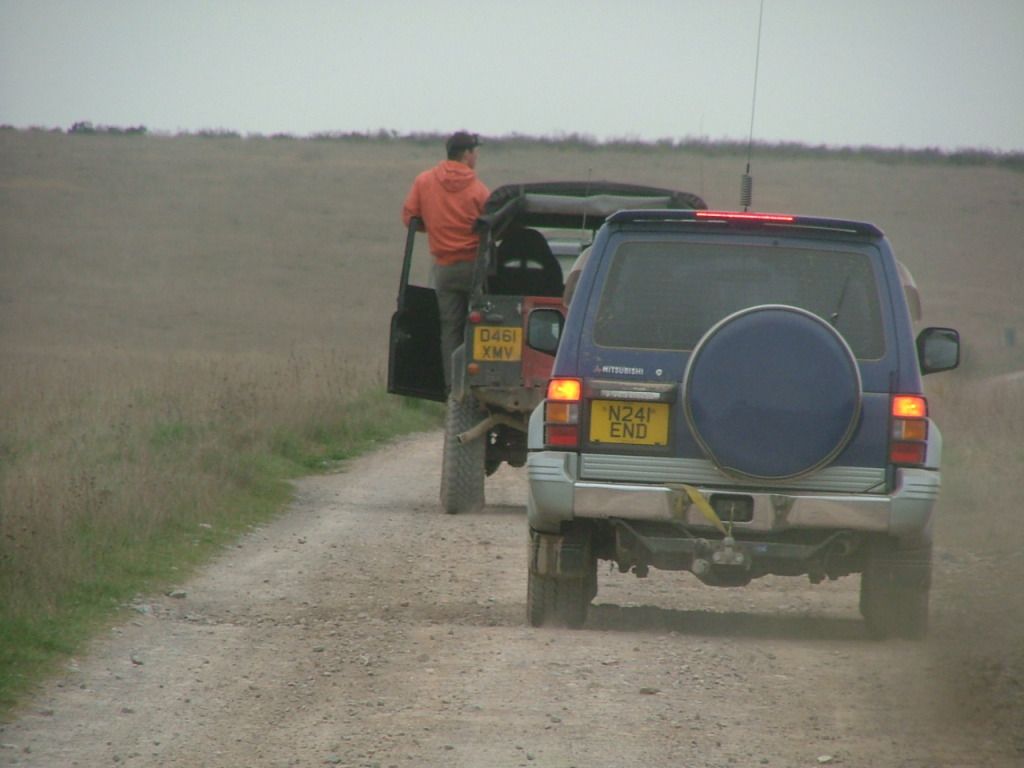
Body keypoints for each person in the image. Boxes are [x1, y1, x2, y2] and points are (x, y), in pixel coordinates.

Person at [401, 131, 490, 391]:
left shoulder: (424, 182)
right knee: (477, 328)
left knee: (450, 329)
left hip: (445, 268)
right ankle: (477, 387)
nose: (476, 157)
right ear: (466, 154)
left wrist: (437, 227)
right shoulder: (478, 190)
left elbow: (410, 219)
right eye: (475, 152)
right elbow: (489, 226)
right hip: (474, 268)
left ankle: (454, 391)